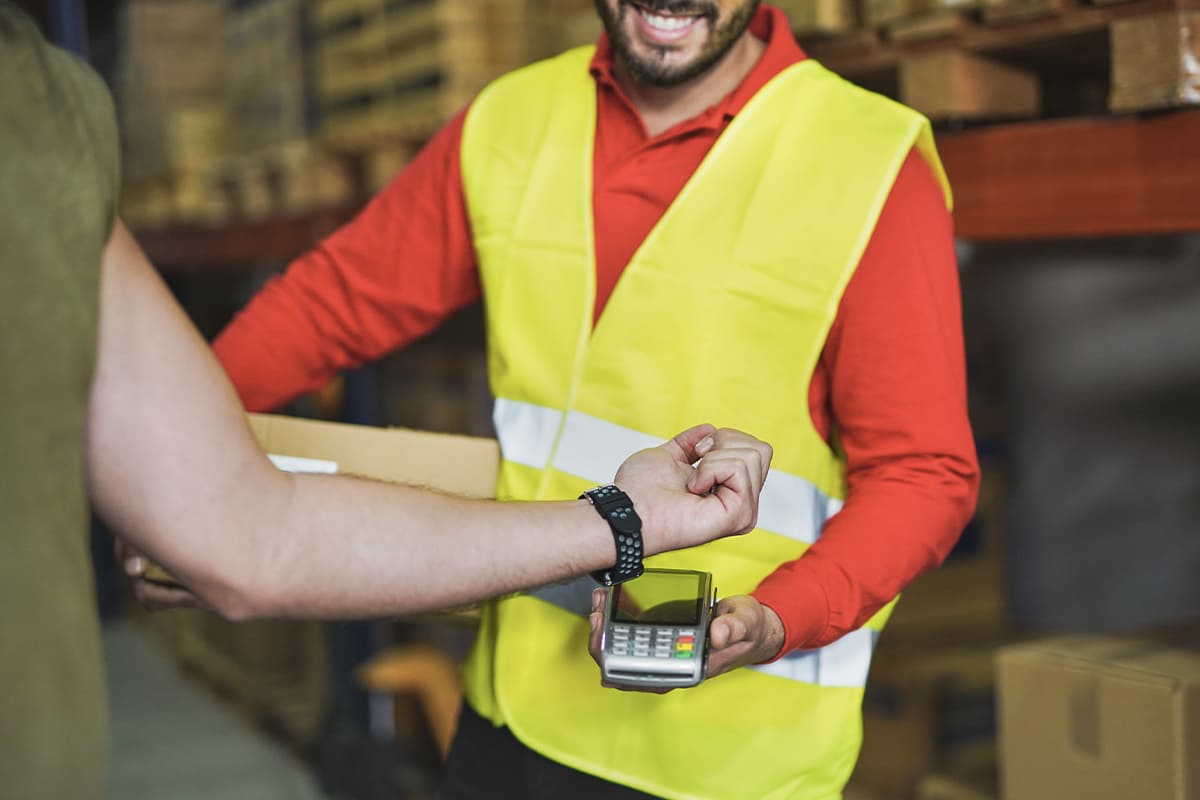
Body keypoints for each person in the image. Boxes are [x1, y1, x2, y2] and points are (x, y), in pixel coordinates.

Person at [135, 1, 982, 798]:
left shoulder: (863, 159)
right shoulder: (512, 118)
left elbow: (922, 474)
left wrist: (777, 617)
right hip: (512, 715)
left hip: (726, 759)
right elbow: (330, 304)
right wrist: (162, 456)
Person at [0, 5, 774, 798]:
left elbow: (243, 528)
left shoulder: (44, 113)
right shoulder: (513, 119)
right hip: (528, 720)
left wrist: (624, 521)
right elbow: (327, 325)